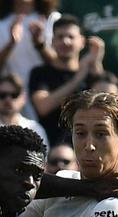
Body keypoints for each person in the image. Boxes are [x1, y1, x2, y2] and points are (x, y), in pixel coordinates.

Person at [28, 15, 104, 146]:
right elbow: (43, 106)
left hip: (87, 148)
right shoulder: (40, 73)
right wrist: (78, 78)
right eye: (60, 37)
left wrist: (96, 64)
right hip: (50, 149)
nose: (65, 42)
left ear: (82, 42)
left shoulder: (91, 75)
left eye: (71, 37)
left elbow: (106, 106)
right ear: (52, 41)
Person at [0, 73, 48, 152]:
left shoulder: (35, 128)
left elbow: (43, 161)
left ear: (23, 98)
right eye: (2, 95)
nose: (8, 100)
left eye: (14, 95)